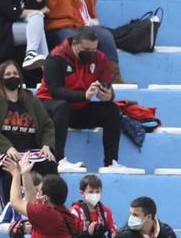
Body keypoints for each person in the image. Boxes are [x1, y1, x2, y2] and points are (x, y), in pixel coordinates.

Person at [0, 60, 57, 211]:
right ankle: (11, 214)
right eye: (8, 74)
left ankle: (51, 210)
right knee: (11, 170)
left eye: (15, 73)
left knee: (49, 164)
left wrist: (46, 145)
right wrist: (7, 147)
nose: (13, 76)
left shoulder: (30, 99)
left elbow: (47, 125)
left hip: (29, 150)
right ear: (0, 78)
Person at [38, 28, 125, 171]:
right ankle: (58, 160)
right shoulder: (56, 57)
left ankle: (111, 163)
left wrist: (108, 95)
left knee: (112, 109)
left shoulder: (100, 58)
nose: (90, 53)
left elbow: (107, 83)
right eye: (86, 49)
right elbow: (55, 92)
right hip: (48, 108)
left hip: (77, 110)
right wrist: (84, 95)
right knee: (62, 106)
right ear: (74, 44)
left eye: (94, 50)